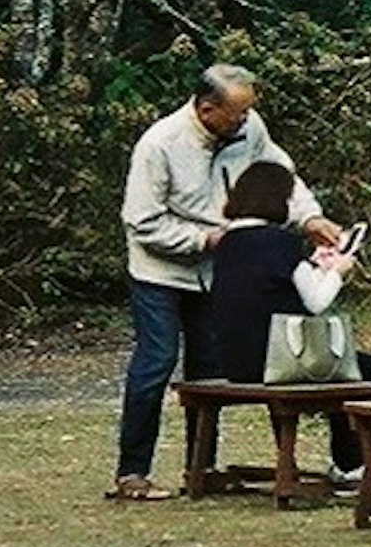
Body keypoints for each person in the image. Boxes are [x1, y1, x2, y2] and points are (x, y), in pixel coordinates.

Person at [108, 62, 336, 502]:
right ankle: (132, 472)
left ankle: (201, 467)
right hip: (162, 271)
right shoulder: (160, 144)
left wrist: (310, 217)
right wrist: (206, 239)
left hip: (219, 273)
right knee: (155, 362)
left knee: (210, 368)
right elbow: (141, 221)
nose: (245, 121)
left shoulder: (250, 130)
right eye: (237, 114)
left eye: (249, 112)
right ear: (207, 109)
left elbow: (281, 176)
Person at [201, 160, 371, 498]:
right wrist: (339, 270)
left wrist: (315, 267)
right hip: (280, 362)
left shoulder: (227, 243)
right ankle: (353, 465)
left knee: (347, 370)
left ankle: (347, 465)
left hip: (236, 363)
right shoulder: (281, 243)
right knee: (363, 368)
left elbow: (269, 289)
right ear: (279, 201)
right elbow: (317, 302)